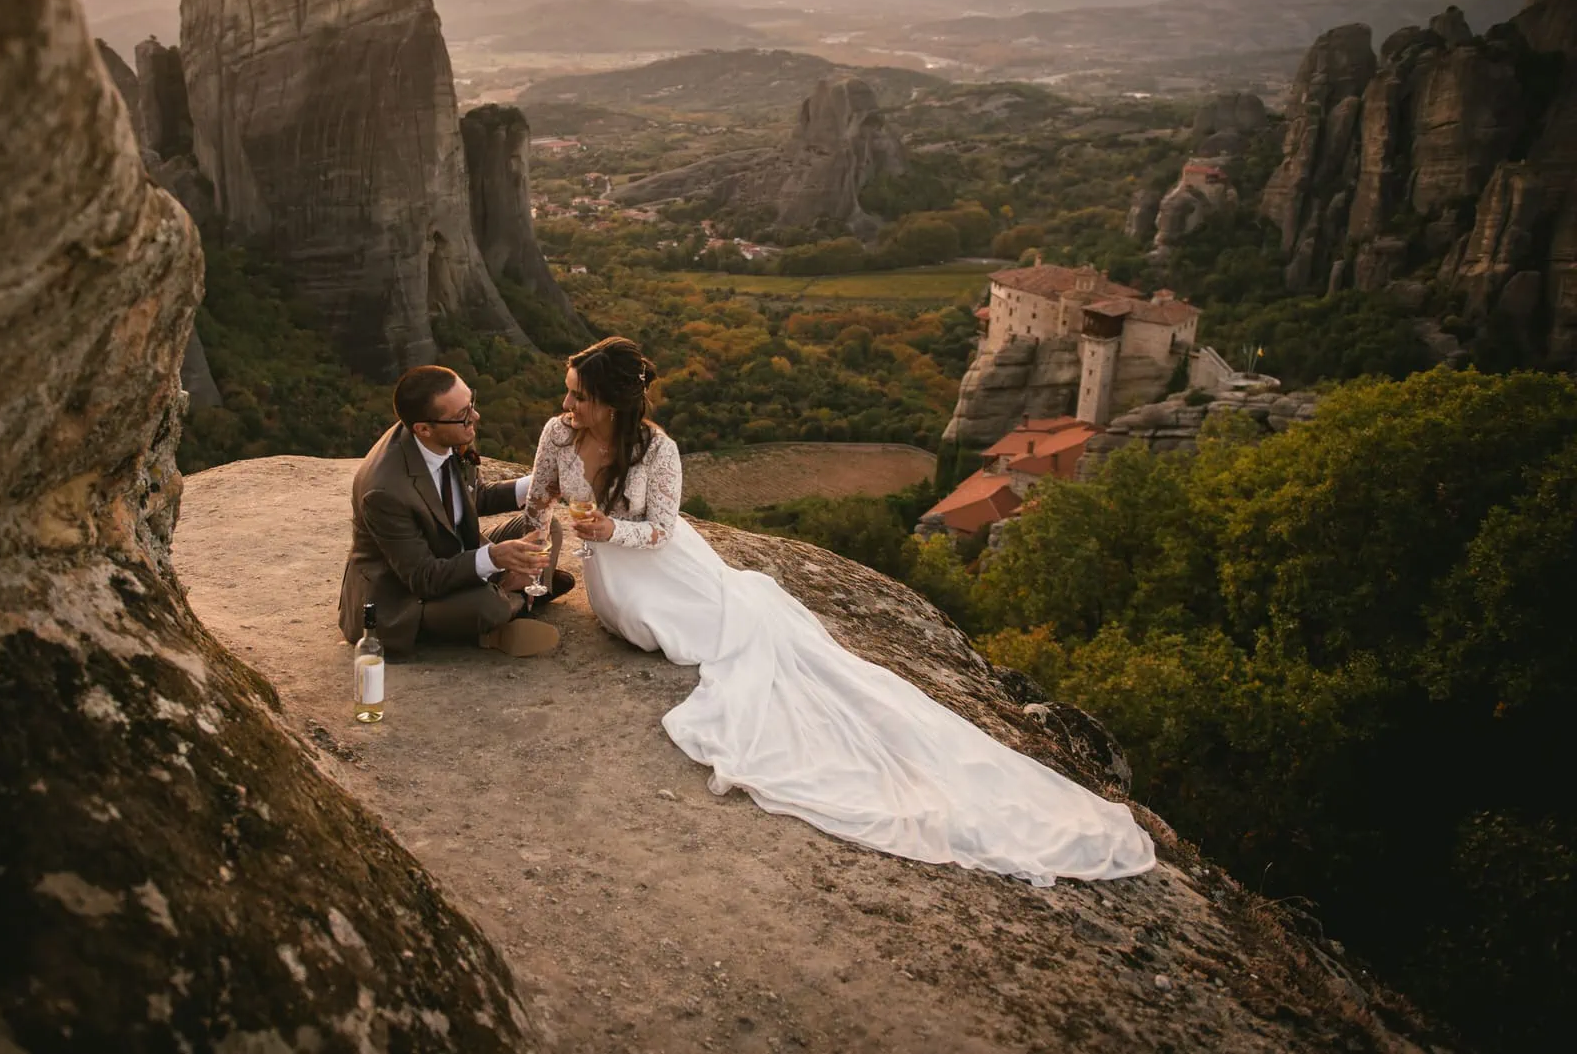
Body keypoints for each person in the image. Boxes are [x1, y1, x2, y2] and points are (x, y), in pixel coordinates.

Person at [528, 336, 1157, 885]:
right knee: (635, 623)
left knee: (696, 638)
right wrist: (519, 544)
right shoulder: (557, 434)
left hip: (662, 566)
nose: (566, 407)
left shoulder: (658, 451)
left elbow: (663, 527)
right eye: (568, 394)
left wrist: (614, 531)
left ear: (610, 404)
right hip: (610, 574)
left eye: (577, 397)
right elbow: (543, 493)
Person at [338, 365, 573, 658]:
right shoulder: (385, 492)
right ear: (424, 428)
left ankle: (508, 595)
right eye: (464, 414)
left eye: (470, 404)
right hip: (403, 593)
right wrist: (496, 558)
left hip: (449, 550)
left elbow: (474, 497)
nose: (474, 417)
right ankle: (502, 611)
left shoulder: (447, 433)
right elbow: (423, 578)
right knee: (488, 605)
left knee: (547, 529)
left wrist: (541, 485)